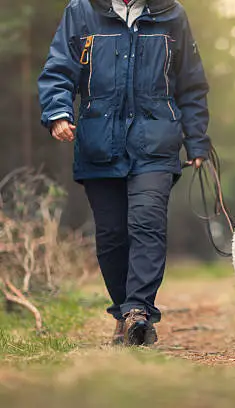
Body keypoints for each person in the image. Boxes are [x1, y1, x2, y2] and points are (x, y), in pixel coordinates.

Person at [38, 0, 210, 346]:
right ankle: (123, 312)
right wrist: (57, 111)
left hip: (156, 144)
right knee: (112, 236)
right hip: (99, 144)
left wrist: (197, 141)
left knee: (147, 224)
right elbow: (59, 68)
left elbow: (191, 84)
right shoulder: (81, 11)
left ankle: (139, 312)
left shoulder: (171, 14)